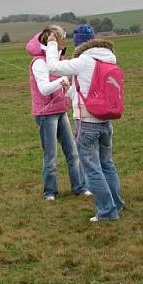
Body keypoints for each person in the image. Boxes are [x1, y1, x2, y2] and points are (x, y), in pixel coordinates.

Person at [45, 30, 125, 222]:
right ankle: (116, 204)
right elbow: (90, 91)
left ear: (80, 45)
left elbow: (53, 67)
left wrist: (52, 44)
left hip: (87, 124)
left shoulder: (84, 60)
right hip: (106, 122)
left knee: (92, 169)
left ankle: (107, 211)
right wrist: (71, 91)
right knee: (107, 165)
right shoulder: (109, 58)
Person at [27, 26, 88, 201]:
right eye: (62, 37)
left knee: (73, 152)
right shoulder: (39, 62)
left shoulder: (58, 59)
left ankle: (80, 187)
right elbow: (44, 89)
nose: (65, 40)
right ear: (52, 40)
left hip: (61, 110)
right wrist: (62, 81)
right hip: (46, 114)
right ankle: (50, 192)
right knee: (51, 156)